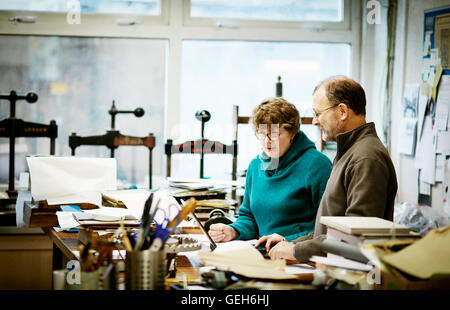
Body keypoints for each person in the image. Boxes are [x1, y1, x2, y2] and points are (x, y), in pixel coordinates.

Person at [255, 76, 398, 262]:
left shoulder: (366, 157)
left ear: (342, 111)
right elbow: (330, 229)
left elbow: (355, 237)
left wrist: (296, 251)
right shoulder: (350, 151)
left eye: (318, 114)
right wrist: (292, 243)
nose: (315, 122)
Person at [208, 97, 332, 243]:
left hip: (300, 256)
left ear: (292, 133)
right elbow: (248, 216)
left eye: (274, 134)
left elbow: (329, 227)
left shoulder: (316, 164)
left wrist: (288, 240)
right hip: (264, 253)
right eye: (261, 134)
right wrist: (234, 230)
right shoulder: (255, 166)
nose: (267, 141)